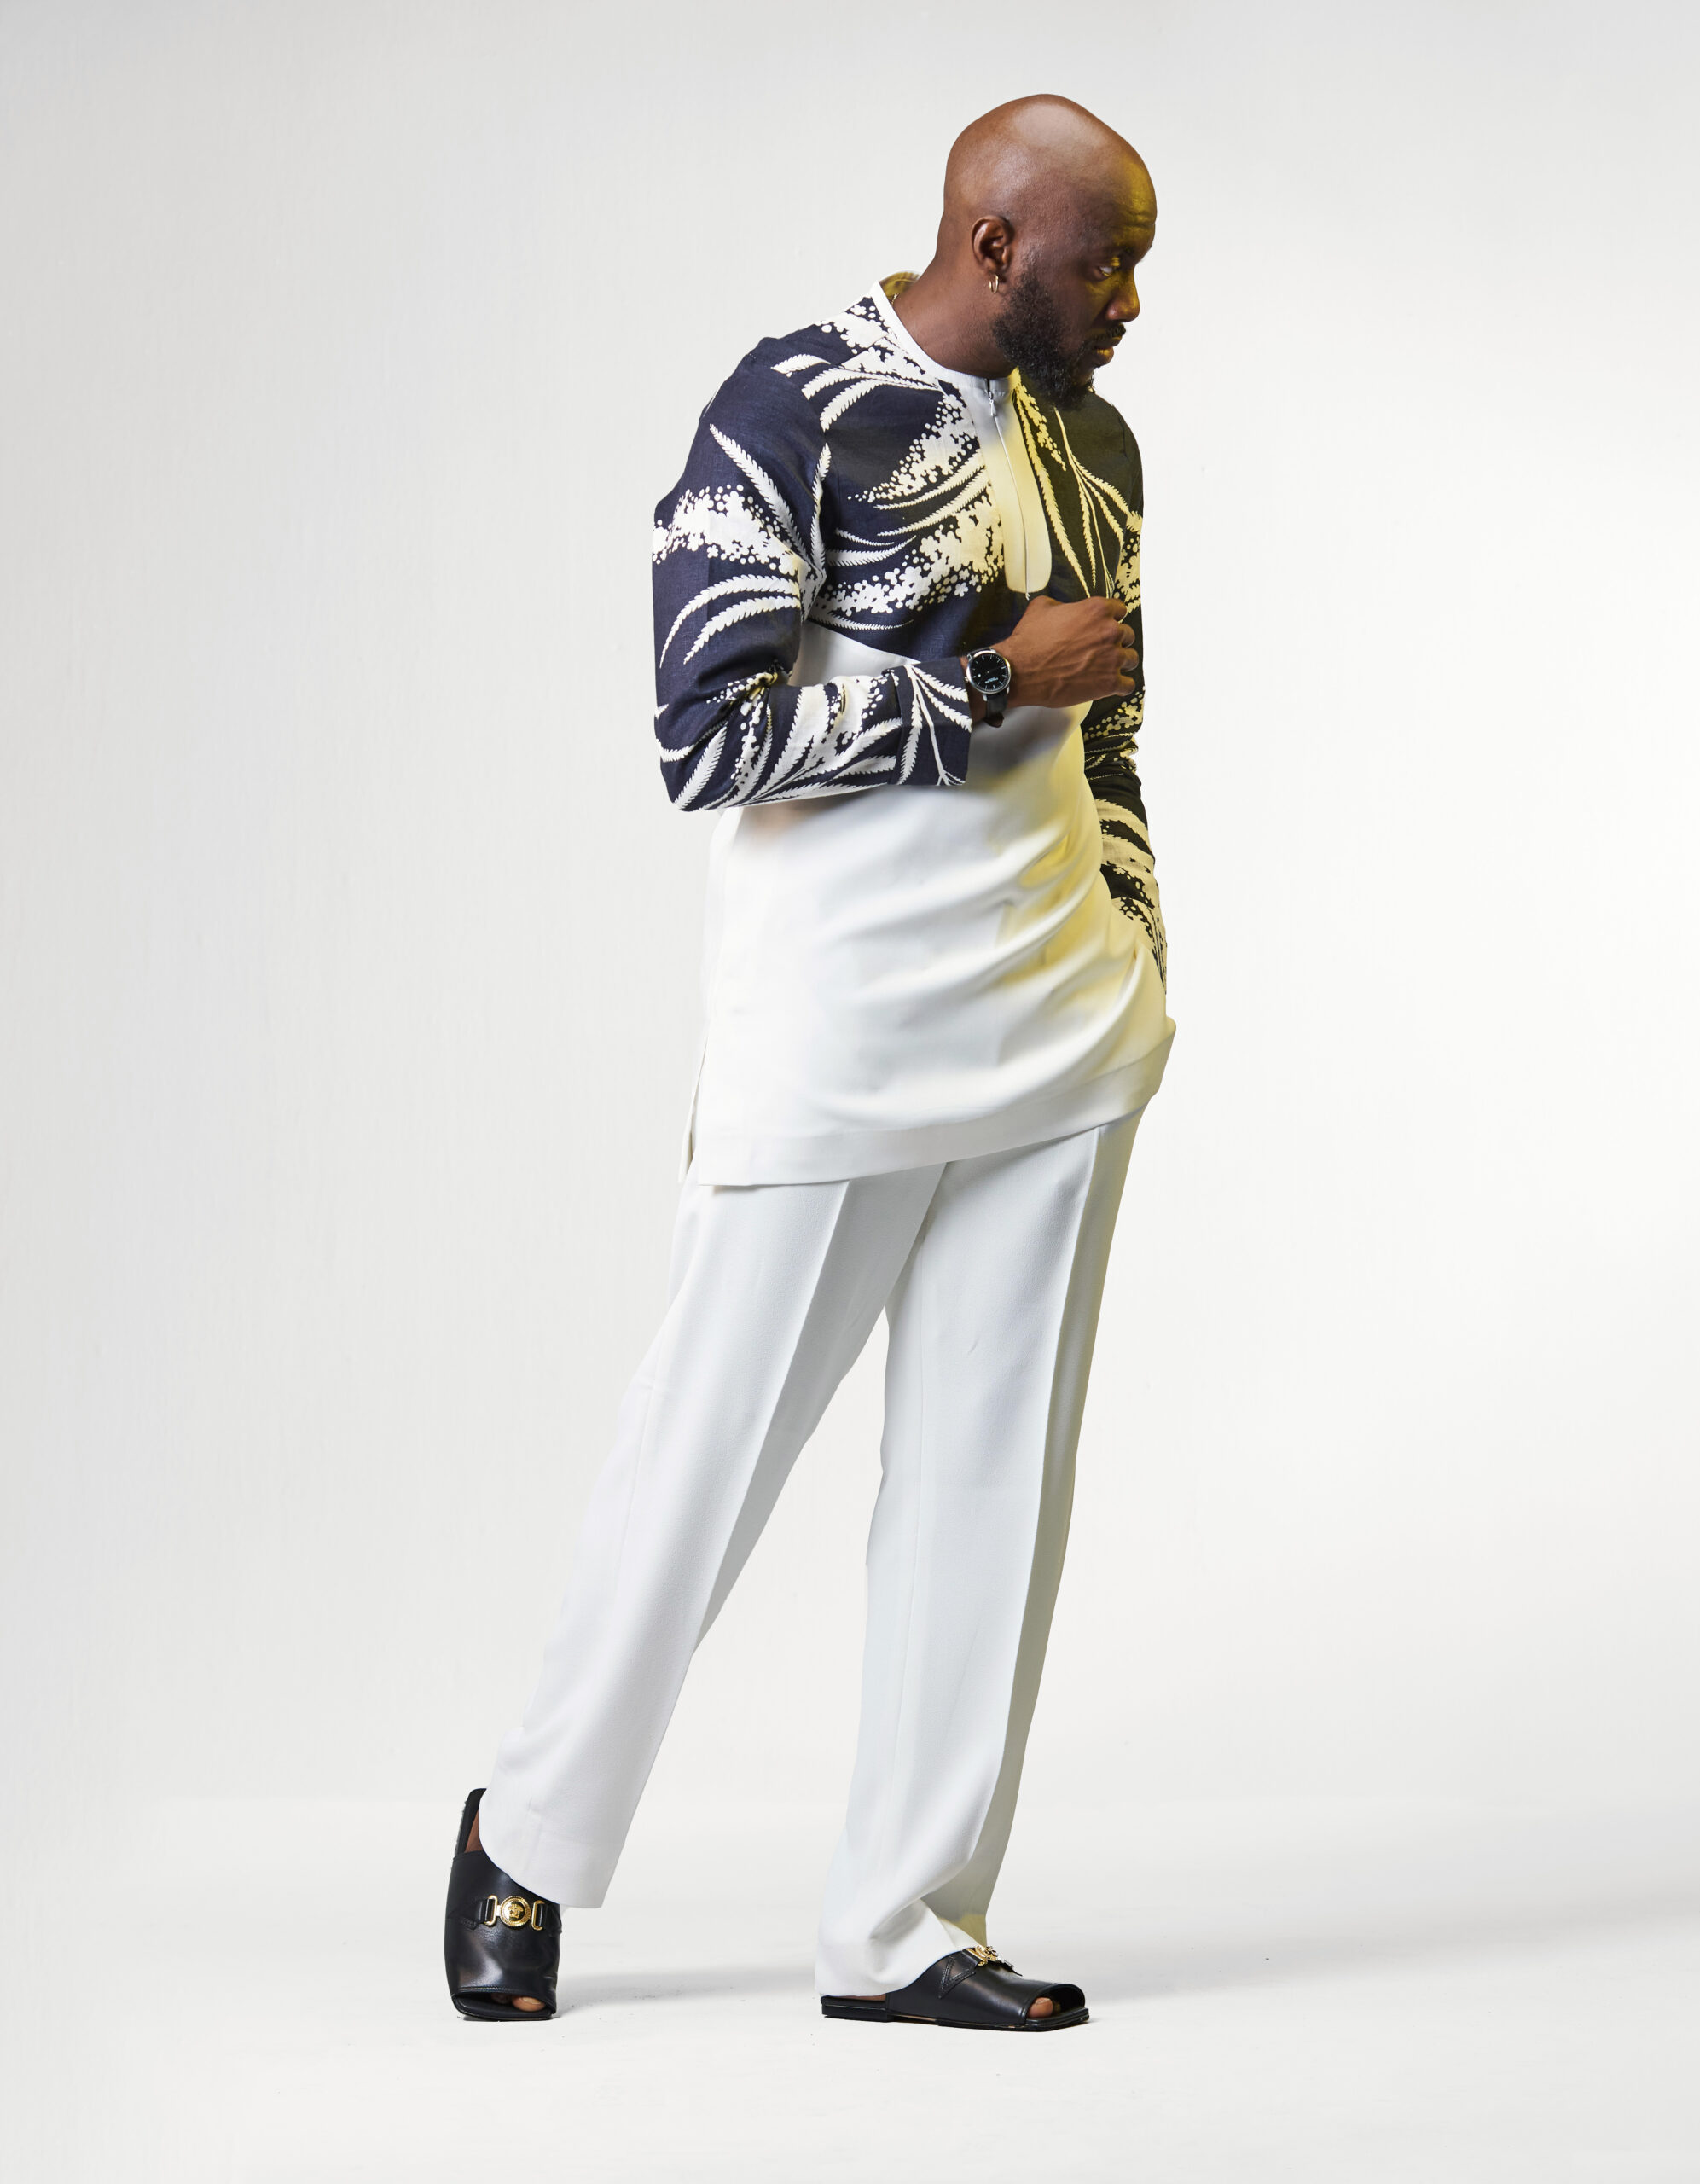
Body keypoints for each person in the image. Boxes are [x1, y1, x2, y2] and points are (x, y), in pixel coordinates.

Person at [443, 92, 1172, 2034]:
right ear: (993, 244)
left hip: (1058, 1020)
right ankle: (527, 1835)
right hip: (838, 1024)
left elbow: (1115, 725)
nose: (1129, 301)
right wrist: (988, 678)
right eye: (1105, 261)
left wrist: (1139, 953)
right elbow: (707, 735)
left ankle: (909, 1920)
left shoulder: (1096, 444)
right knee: (707, 1449)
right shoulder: (793, 406)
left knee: (990, 1485)